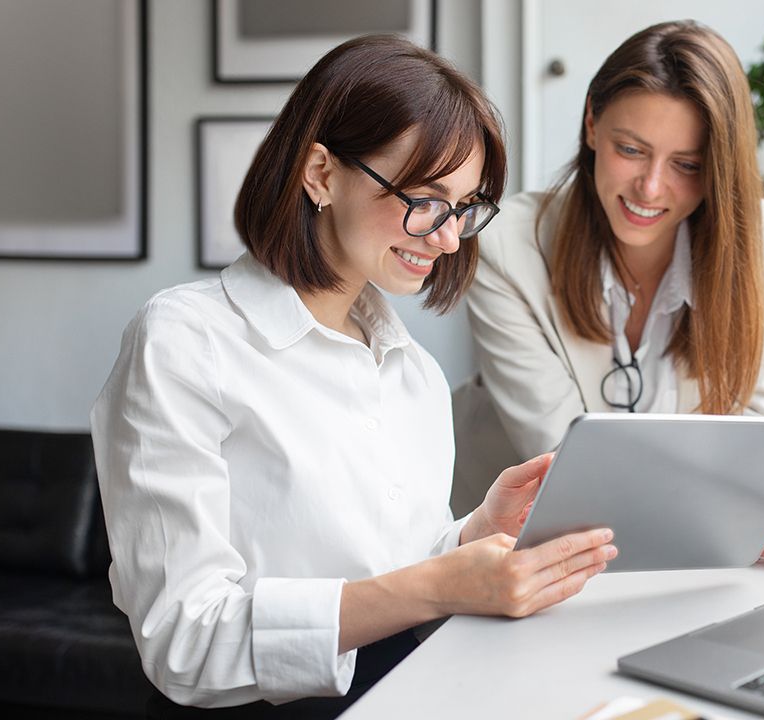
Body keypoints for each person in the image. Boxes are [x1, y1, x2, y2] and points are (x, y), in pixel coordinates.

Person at [91, 35, 615, 717]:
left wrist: (476, 531)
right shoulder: (186, 342)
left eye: (462, 208)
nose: (450, 237)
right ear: (320, 173)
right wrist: (441, 586)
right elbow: (185, 644)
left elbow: (391, 567)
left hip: (421, 689)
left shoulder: (414, 375)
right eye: (423, 198)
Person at [455, 20, 764, 569]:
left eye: (687, 165)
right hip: (514, 554)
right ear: (592, 125)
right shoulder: (505, 246)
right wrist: (735, 510)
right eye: (630, 149)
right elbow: (562, 460)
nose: (650, 187)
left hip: (676, 553)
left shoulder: (755, 238)